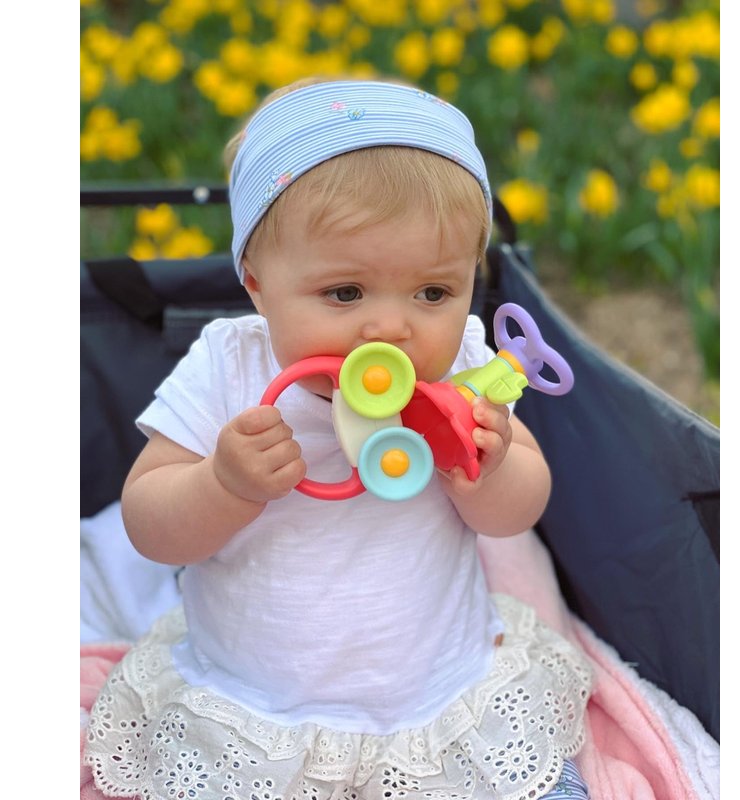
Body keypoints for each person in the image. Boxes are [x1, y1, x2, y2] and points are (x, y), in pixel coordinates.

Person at [84, 77, 593, 800]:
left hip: (438, 698)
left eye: (433, 293)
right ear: (257, 285)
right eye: (345, 293)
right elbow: (149, 524)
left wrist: (491, 468)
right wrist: (220, 484)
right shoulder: (231, 368)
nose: (391, 328)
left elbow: (519, 511)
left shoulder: (466, 366)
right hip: (258, 711)